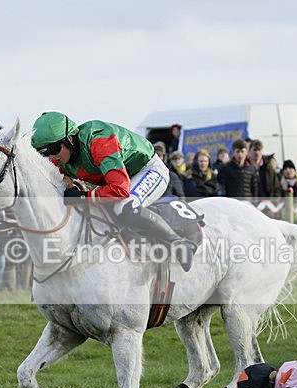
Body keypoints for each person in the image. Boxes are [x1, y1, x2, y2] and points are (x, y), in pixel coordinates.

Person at [31, 111, 197, 271]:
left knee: (124, 207)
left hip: (147, 168)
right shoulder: (60, 158)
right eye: (45, 153)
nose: (52, 157)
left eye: (54, 149)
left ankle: (179, 243)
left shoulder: (99, 141)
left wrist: (83, 196)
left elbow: (119, 189)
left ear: (69, 139)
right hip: (118, 177)